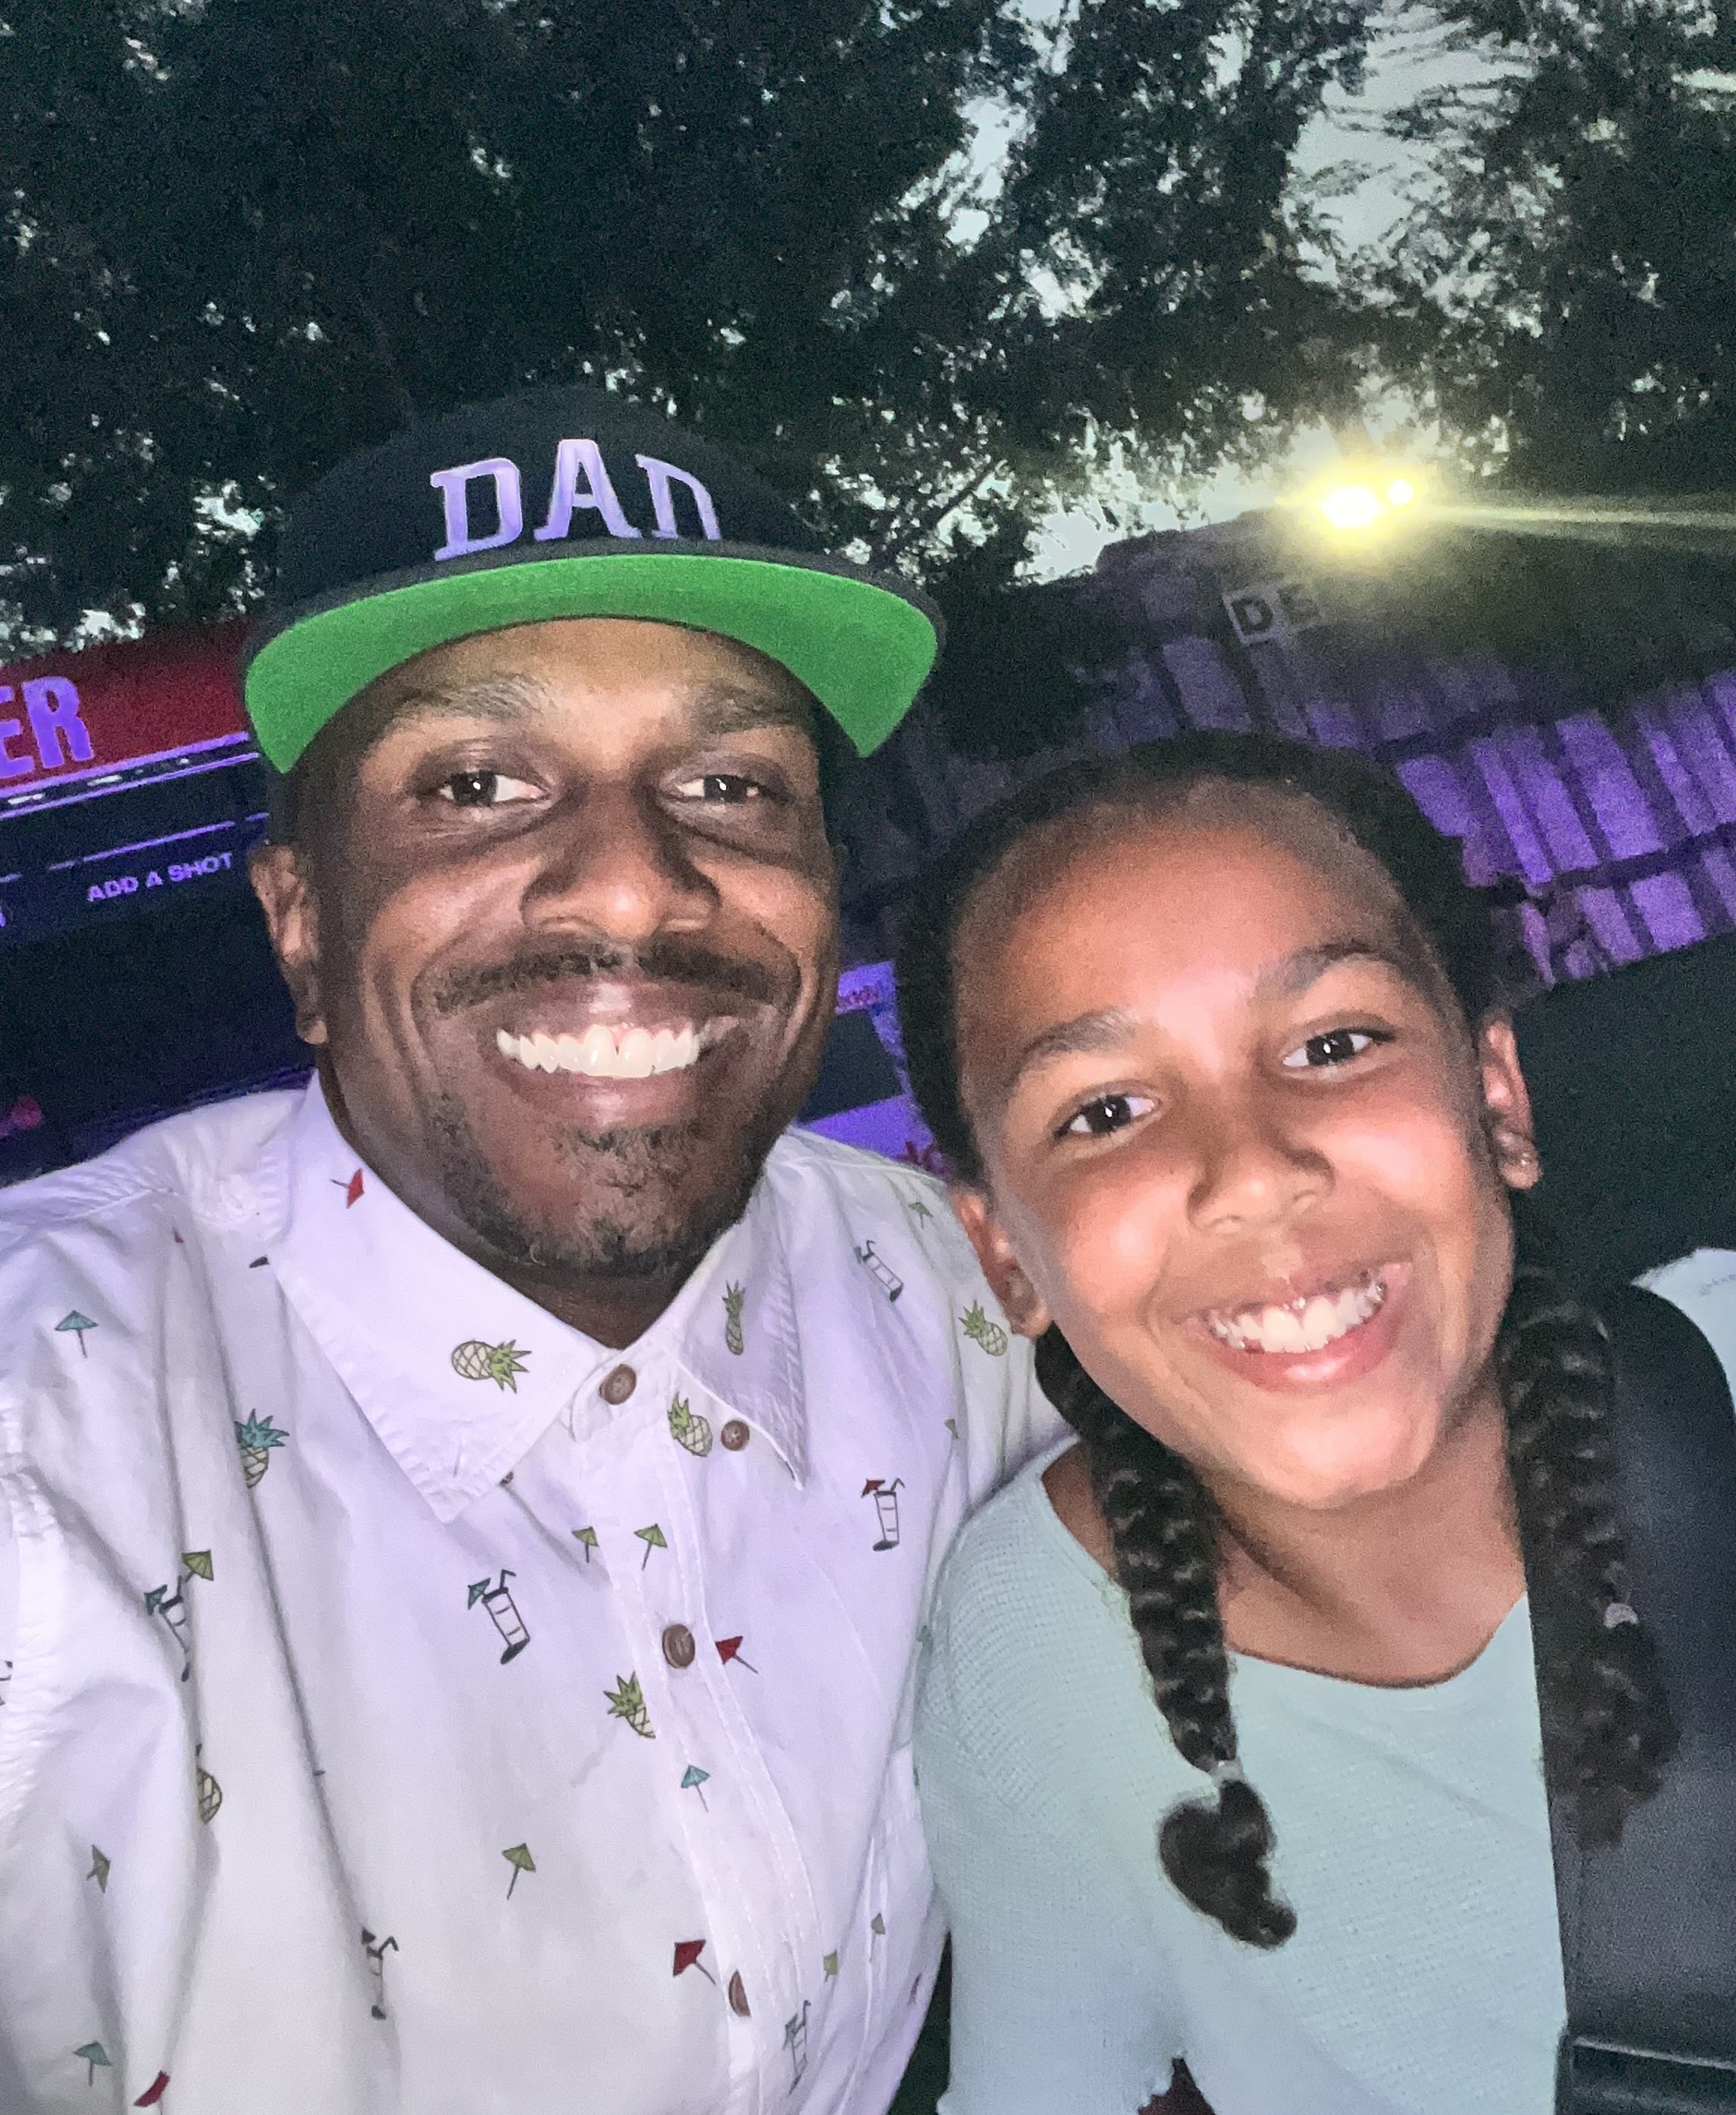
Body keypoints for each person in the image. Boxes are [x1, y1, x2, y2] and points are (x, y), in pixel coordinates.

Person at [0, 388, 1058, 2114]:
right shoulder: (47, 1431)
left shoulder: (958, 1306)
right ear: (303, 924)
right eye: (476, 785)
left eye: (728, 783)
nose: (633, 887)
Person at [893, 732, 1736, 2115]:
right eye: (1105, 1111)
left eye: (1334, 1045)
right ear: (1004, 1257)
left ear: (1497, 1098)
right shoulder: (1031, 1644)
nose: (1251, 1173)